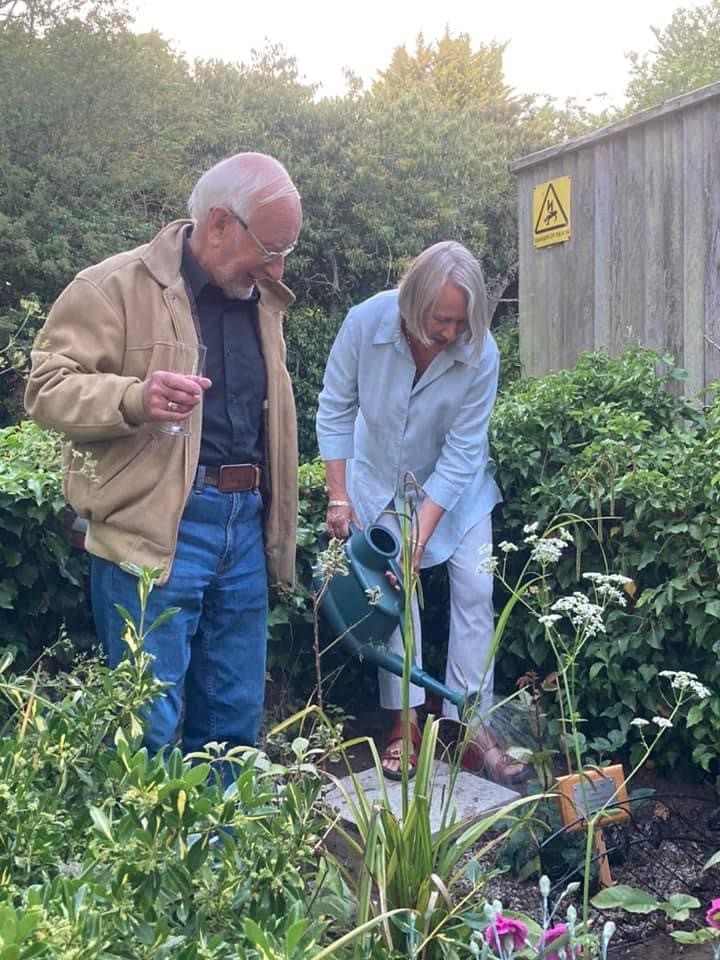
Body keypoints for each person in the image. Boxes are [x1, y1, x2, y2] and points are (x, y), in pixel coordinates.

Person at [25, 152, 301, 769]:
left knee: (233, 728)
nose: (280, 267)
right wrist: (133, 397)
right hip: (155, 531)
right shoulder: (111, 286)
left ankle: (220, 861)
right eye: (273, 247)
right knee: (145, 728)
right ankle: (146, 863)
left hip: (245, 525)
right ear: (222, 223)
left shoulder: (261, 298)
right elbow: (44, 389)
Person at [316, 240, 527, 784]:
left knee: (478, 591)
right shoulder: (366, 323)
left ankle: (469, 726)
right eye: (442, 320)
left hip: (456, 490)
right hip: (379, 483)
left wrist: (422, 533)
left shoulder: (481, 351)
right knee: (394, 596)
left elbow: (462, 453)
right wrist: (338, 496)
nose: (452, 333)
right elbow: (335, 408)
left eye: (462, 322)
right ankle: (404, 726)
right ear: (413, 303)